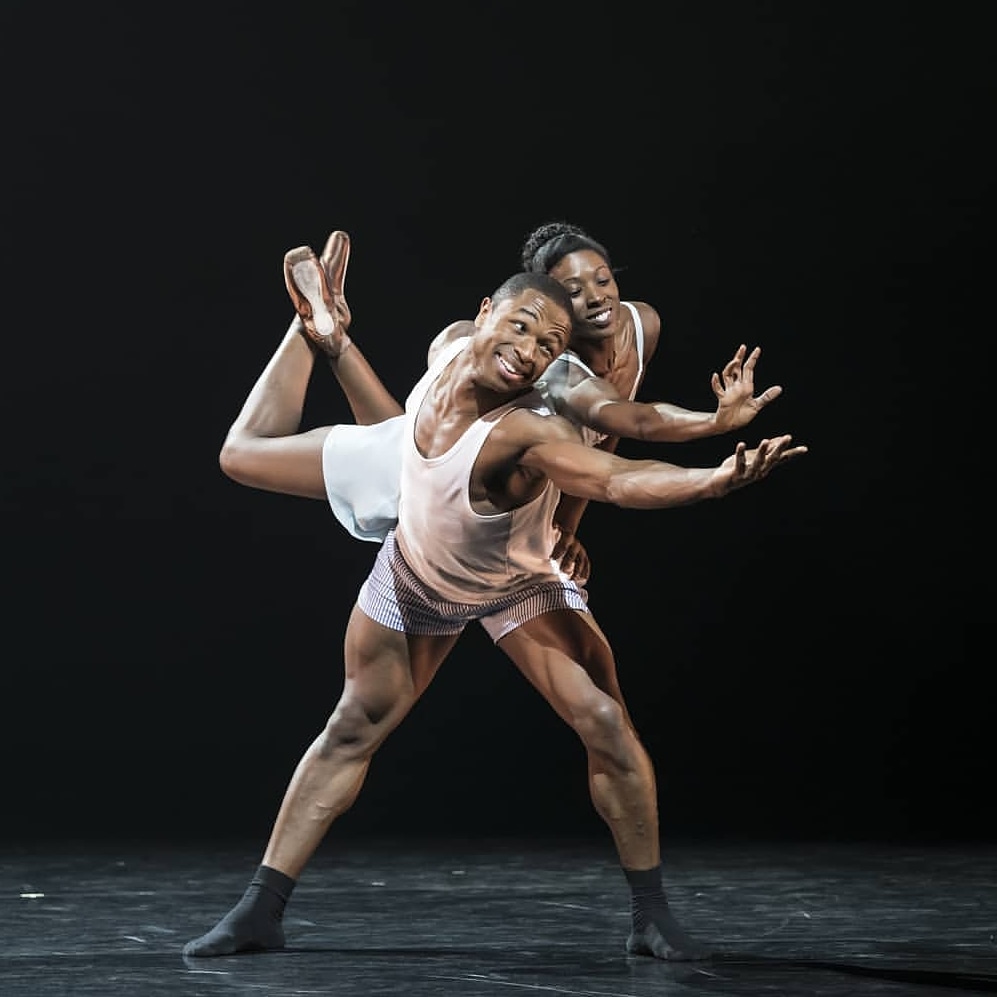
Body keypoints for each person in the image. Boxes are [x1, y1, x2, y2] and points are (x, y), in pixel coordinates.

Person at [183, 237, 806, 962]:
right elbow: (399, 423)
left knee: (604, 718)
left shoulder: (526, 431)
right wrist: (339, 352)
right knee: (350, 725)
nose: (528, 349)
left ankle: (651, 916)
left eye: (547, 344)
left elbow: (615, 469)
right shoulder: (448, 347)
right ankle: (260, 907)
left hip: (516, 579)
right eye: (518, 326)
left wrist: (711, 468)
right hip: (416, 558)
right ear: (482, 312)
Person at [315, 222, 783, 583]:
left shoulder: (643, 323)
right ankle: (330, 338)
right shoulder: (557, 369)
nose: (597, 298)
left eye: (602, 280)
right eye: (574, 293)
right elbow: (629, 419)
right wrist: (713, 423)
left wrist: (568, 526)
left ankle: (333, 338)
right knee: (387, 456)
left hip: (532, 493)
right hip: (476, 488)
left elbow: (606, 448)